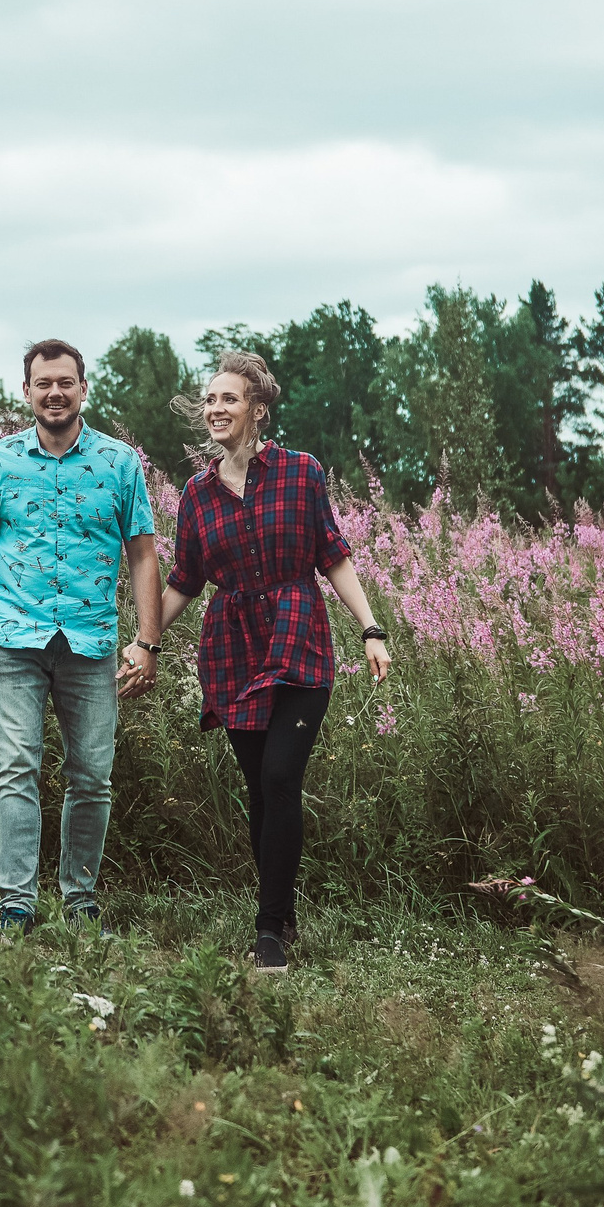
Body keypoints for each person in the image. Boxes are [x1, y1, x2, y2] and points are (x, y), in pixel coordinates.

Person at [155, 349, 390, 973]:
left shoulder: (301, 471)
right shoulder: (197, 496)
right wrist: (143, 639)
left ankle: (269, 933)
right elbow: (185, 579)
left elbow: (331, 554)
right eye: (209, 400)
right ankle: (282, 907)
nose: (215, 408)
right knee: (259, 791)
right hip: (232, 649)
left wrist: (371, 628)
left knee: (282, 777)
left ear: (257, 408)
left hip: (299, 640)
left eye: (228, 398)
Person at [0, 339, 163, 935]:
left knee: (91, 775)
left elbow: (143, 555)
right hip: (13, 637)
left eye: (66, 382)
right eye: (44, 383)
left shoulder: (119, 464)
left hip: (91, 644)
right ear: (27, 391)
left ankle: (80, 899)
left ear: (83, 389)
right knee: (16, 767)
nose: (55, 392)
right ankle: (16, 905)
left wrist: (146, 641)